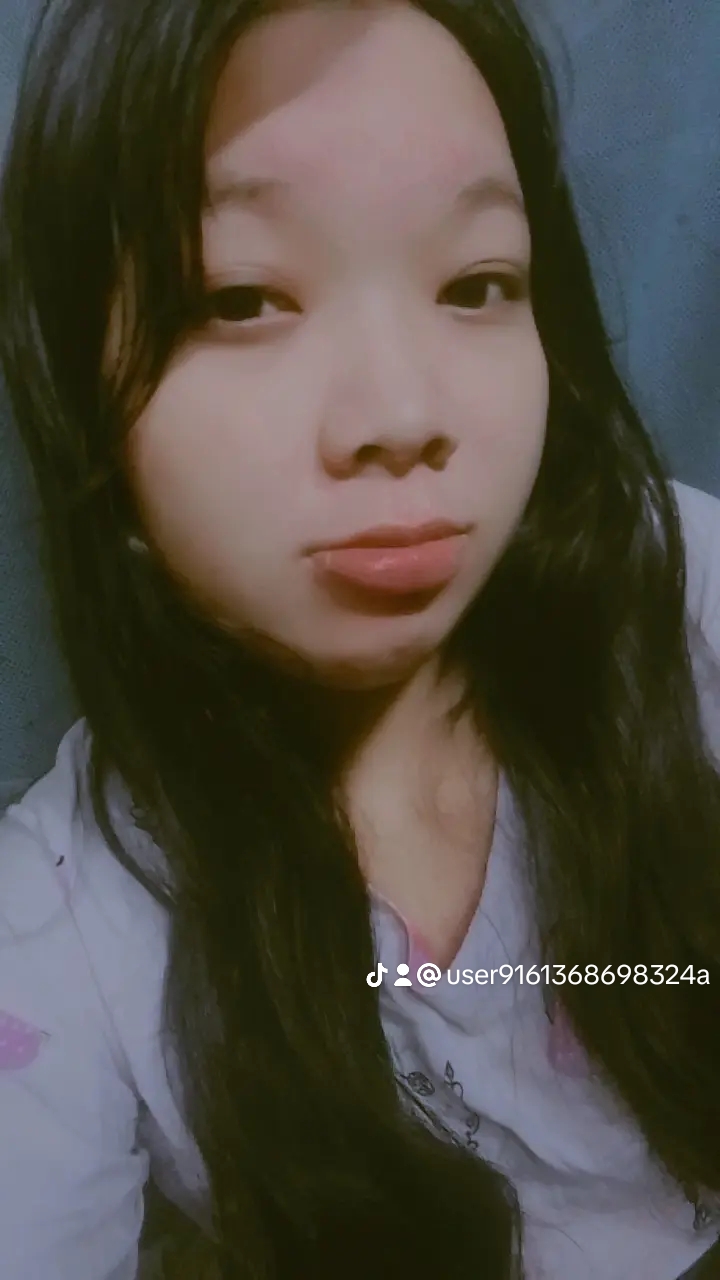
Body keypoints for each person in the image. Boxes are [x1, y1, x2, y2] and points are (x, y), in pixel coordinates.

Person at [0, 0, 719, 1277]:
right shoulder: (66, 918)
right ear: (78, 381)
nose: (401, 412)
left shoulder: (684, 601)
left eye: (477, 284)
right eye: (242, 297)